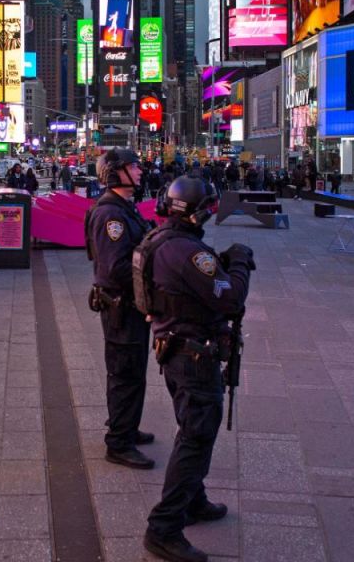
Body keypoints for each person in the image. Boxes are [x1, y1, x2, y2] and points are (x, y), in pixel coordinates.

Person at [139, 176, 253, 562]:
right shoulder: (189, 252)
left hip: (172, 347)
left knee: (191, 428)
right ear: (201, 210)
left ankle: (193, 499)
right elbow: (230, 297)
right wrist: (238, 264)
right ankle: (164, 527)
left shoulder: (160, 239)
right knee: (196, 436)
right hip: (194, 355)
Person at [85, 149, 156, 470]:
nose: (140, 171)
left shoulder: (124, 208)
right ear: (115, 173)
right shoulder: (111, 215)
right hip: (121, 307)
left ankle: (126, 425)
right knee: (125, 372)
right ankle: (119, 442)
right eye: (133, 166)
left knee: (134, 370)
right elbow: (117, 268)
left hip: (131, 306)